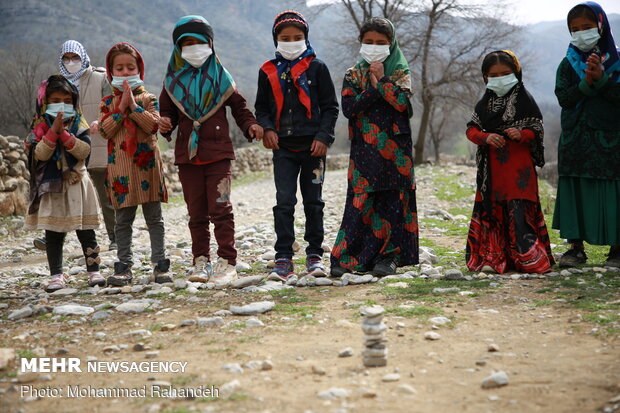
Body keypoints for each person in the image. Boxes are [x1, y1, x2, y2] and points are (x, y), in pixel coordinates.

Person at [159, 16, 263, 286]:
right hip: (188, 157)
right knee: (196, 212)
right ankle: (200, 260)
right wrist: (165, 124)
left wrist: (250, 125)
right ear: (178, 48)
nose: (194, 48)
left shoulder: (222, 78)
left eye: (198, 42)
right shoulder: (171, 82)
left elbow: (240, 108)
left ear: (210, 44)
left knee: (221, 209)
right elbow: (166, 114)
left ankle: (227, 261)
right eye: (187, 43)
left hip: (218, 155)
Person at [330, 17, 418, 277]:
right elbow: (349, 108)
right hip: (365, 149)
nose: (374, 46)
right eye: (368, 42)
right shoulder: (353, 74)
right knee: (362, 201)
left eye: (381, 42)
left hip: (396, 149)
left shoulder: (400, 72)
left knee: (393, 200)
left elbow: (404, 106)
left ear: (391, 44)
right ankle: (350, 256)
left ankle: (389, 259)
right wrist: (376, 88)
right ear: (361, 43)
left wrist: (382, 80)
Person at [255, 10, 339, 280]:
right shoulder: (267, 71)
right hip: (283, 149)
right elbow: (261, 108)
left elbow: (330, 108)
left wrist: (324, 137)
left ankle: (314, 254)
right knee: (284, 201)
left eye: (297, 37)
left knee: (314, 202)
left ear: (306, 38)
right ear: (276, 39)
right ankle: (283, 257)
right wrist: (267, 129)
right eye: (285, 37)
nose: (292, 41)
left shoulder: (318, 68)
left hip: (314, 148)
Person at [465, 50, 554, 274]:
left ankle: (529, 259)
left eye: (505, 73)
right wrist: (485, 137)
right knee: (493, 211)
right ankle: (494, 257)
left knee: (520, 211)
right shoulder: (484, 104)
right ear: (485, 77)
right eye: (493, 75)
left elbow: (536, 129)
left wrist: (521, 134)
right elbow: (471, 129)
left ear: (517, 72)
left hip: (519, 172)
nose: (499, 78)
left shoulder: (526, 100)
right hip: (492, 172)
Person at [553, 2, 620, 268]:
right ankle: (575, 249)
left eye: (587, 27)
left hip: (610, 141)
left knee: (612, 192)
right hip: (575, 140)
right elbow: (563, 98)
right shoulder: (567, 64)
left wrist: (602, 80)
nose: (581, 33)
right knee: (575, 191)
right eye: (575, 29)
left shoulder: (616, 60)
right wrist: (586, 83)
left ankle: (616, 250)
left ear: (601, 26)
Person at [33, 41, 116, 252]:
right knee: (58, 191)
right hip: (62, 148)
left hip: (94, 143)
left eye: (75, 57)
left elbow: (110, 106)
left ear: (83, 56)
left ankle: (114, 236)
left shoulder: (99, 77)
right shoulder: (55, 85)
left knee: (104, 194)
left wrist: (102, 124)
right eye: (66, 58)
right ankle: (52, 236)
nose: (71, 62)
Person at [99, 42, 170, 286]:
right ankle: (124, 266)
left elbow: (153, 126)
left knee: (154, 220)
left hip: (147, 167)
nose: (126, 72)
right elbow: (106, 131)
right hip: (120, 171)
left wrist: (134, 106)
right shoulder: (107, 103)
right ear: (111, 72)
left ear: (139, 69)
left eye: (131, 67)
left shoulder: (149, 99)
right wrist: (120, 109)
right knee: (123, 221)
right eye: (120, 68)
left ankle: (160, 264)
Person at [24, 75, 103, 291]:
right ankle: (56, 275)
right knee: (53, 233)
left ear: (74, 102)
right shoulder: (39, 126)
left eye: (67, 101)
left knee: (86, 231)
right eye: (56, 100)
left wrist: (65, 134)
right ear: (45, 102)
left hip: (78, 183)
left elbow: (84, 150)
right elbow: (39, 154)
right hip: (53, 188)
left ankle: (94, 271)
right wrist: (52, 132)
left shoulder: (79, 123)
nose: (62, 105)